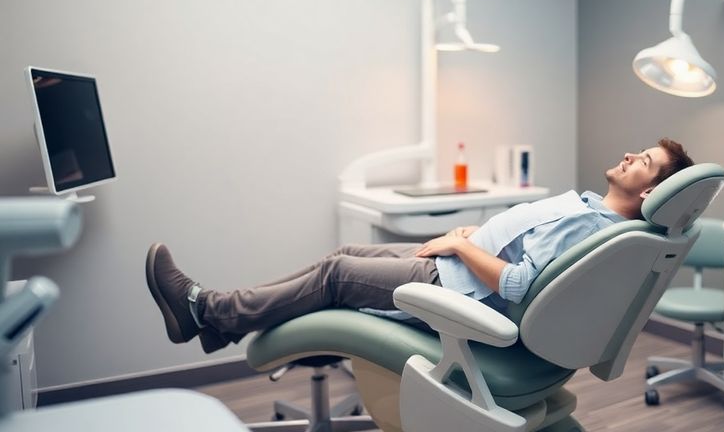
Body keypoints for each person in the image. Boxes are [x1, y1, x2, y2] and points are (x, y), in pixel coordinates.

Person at [146, 138, 694, 353]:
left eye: (641, 161)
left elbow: (518, 283)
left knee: (335, 278)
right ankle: (215, 320)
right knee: (343, 257)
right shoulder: (593, 213)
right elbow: (517, 252)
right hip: (460, 264)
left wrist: (459, 250)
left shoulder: (590, 227)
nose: (627, 155)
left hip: (460, 292)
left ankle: (209, 310)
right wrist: (467, 237)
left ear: (648, 190)